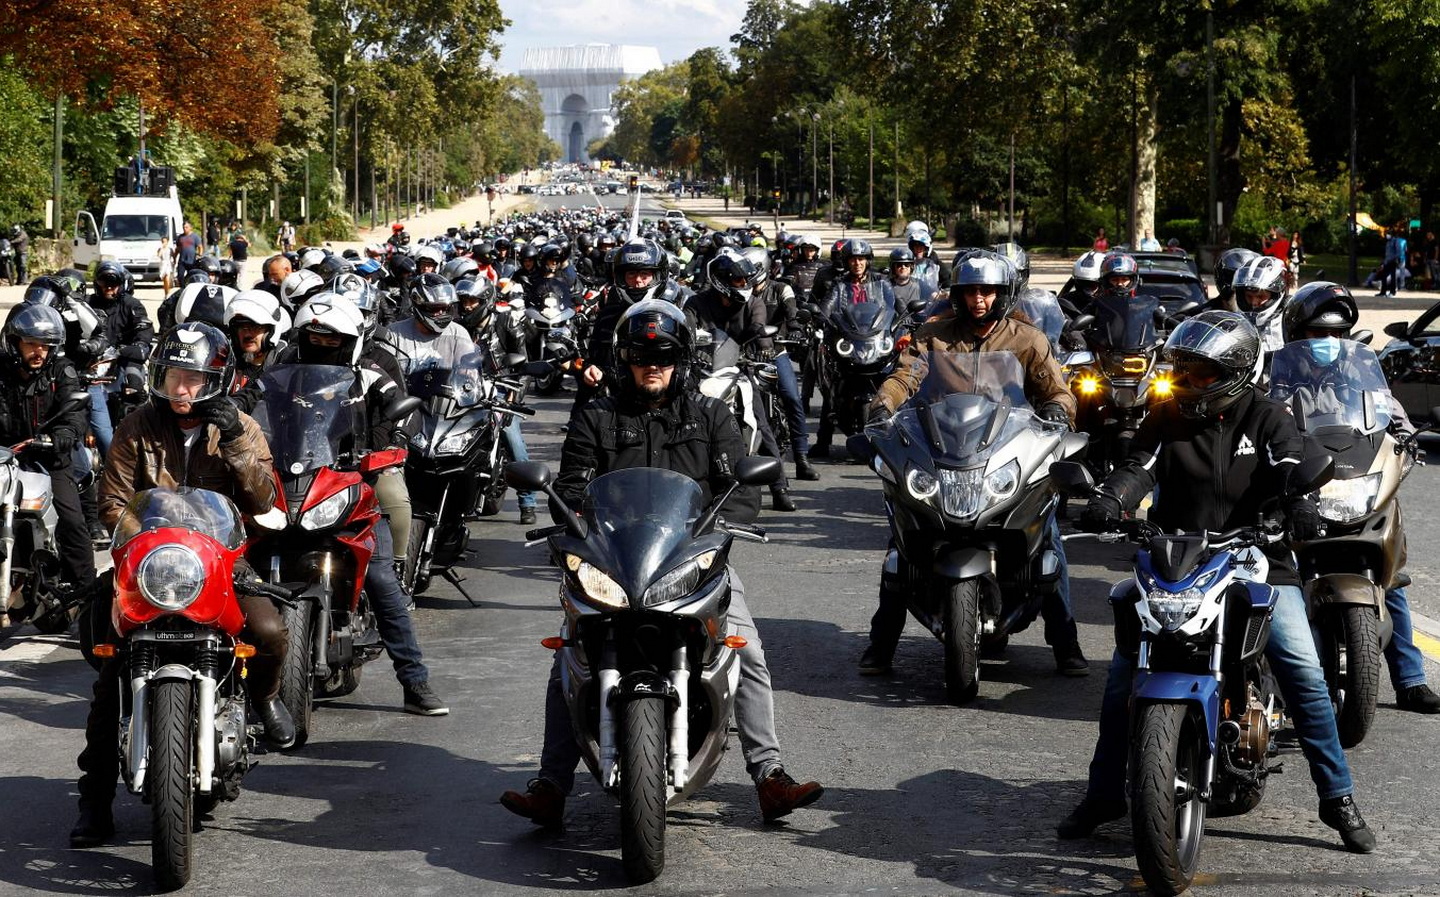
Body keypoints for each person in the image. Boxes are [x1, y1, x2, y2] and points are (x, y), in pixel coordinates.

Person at [1059, 309, 1376, 854]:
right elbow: (1140, 466)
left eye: (1200, 373)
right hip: (1178, 556)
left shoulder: (1269, 415)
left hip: (1258, 558)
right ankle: (1105, 792)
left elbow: (1293, 464)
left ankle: (1338, 797)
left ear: (1234, 371)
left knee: (1303, 670)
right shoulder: (1165, 417)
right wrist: (1110, 499)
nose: (1187, 382)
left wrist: (1296, 504)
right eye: (1182, 369)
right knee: (1120, 678)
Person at [499, 299, 824, 827]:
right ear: (624, 358)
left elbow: (737, 492)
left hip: (691, 562)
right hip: (614, 566)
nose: (653, 365)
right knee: (569, 657)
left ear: (682, 358)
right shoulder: (596, 417)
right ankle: (552, 785)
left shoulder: (711, 415)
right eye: (641, 355)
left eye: (665, 355)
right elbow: (571, 490)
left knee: (751, 653)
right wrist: (571, 530)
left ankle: (769, 776)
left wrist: (719, 532)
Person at [70, 322, 292, 848]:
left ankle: (264, 698)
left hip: (222, 562)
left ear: (217, 379)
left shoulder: (241, 427)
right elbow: (112, 502)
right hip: (152, 564)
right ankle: (93, 802)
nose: (182, 389)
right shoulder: (135, 426)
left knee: (268, 630)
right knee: (109, 676)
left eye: (193, 378)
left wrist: (236, 442)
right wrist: (134, 542)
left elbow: (265, 503)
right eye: (173, 376)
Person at [857, 251, 1085, 676]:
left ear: (1003, 293)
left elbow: (1057, 390)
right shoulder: (934, 336)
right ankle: (881, 642)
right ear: (957, 295)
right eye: (969, 292)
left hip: (1003, 451)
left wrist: (1057, 410)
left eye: (987, 291)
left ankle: (1066, 642)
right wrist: (882, 406)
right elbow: (904, 377)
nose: (978, 299)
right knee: (901, 541)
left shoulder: (1027, 340)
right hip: (945, 450)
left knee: (1048, 539)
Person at [278, 295, 449, 714]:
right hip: (293, 476)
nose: (321, 344)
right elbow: (261, 409)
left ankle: (415, 682)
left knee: (382, 580)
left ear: (351, 339)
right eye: (314, 337)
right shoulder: (281, 366)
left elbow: (403, 414)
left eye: (331, 339)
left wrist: (387, 446)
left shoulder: (375, 368)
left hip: (354, 479)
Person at [1281, 282, 1440, 714]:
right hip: (1306, 487)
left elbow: (1389, 408)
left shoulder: (1359, 376)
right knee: (1272, 574)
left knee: (1392, 580)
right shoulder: (1277, 380)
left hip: (1357, 481)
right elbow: (1265, 422)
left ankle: (1409, 680)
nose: (1326, 343)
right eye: (1317, 333)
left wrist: (1406, 438)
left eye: (1335, 334)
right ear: (1297, 334)